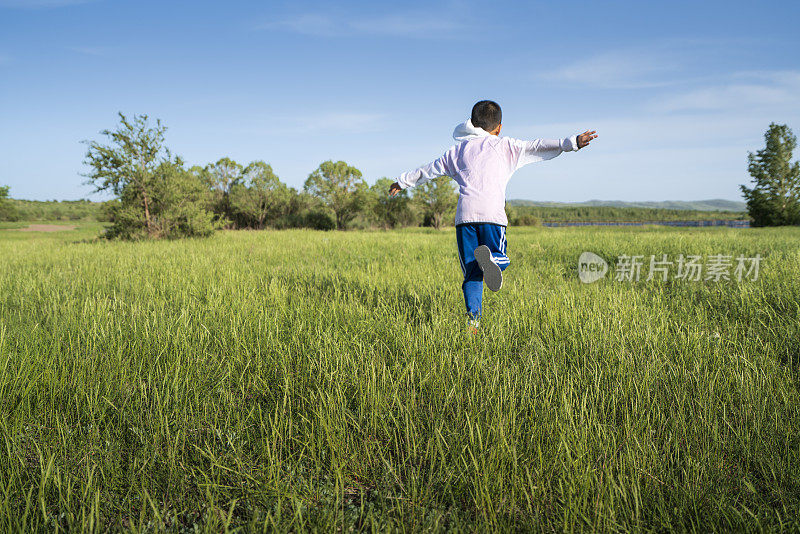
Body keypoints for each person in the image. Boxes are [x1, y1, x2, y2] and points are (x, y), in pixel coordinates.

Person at [389, 100, 597, 329]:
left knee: (471, 273)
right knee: (499, 255)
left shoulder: (457, 151)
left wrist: (401, 181)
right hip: (492, 215)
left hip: (465, 217)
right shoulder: (507, 146)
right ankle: (494, 260)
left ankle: (473, 323)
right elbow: (538, 146)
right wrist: (571, 143)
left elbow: (428, 170)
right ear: (499, 127)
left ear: (473, 123)